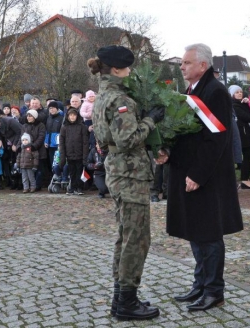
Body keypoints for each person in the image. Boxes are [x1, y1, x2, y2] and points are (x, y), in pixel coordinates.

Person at [165, 43, 243, 312]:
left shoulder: (216, 92)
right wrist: (168, 152)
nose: (182, 67)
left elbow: (216, 138)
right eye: (182, 63)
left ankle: (214, 291)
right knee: (195, 232)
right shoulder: (194, 90)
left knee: (209, 235)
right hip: (190, 172)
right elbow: (188, 133)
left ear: (203, 65)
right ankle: (200, 284)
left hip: (207, 177)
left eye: (186, 63)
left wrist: (197, 173)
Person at [89, 45, 164, 321]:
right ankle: (127, 303)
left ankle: (121, 298)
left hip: (119, 172)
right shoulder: (119, 99)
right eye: (128, 67)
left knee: (126, 236)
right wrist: (151, 120)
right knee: (136, 239)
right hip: (129, 174)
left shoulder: (102, 96)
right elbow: (128, 139)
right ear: (118, 69)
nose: (131, 72)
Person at [229, 84, 250, 189]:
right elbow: (245, 116)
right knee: (247, 157)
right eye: (237, 92)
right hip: (243, 135)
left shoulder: (244, 103)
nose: (239, 94)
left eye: (240, 92)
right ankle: (244, 179)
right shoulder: (234, 105)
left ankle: (245, 178)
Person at [59, 107, 89, 196]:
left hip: (79, 153)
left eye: (74, 115)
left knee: (79, 171)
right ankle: (72, 187)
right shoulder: (64, 127)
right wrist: (63, 155)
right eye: (70, 115)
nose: (72, 117)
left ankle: (79, 187)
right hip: (69, 153)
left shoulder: (82, 127)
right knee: (72, 171)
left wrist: (85, 156)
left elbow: (85, 142)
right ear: (67, 116)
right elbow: (62, 141)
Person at [45, 101, 64, 168]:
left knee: (58, 162)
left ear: (57, 108)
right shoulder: (49, 118)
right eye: (50, 108)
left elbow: (62, 132)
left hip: (57, 145)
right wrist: (46, 141)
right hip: (50, 145)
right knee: (51, 162)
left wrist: (60, 144)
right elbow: (47, 131)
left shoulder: (61, 118)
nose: (52, 110)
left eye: (53, 108)